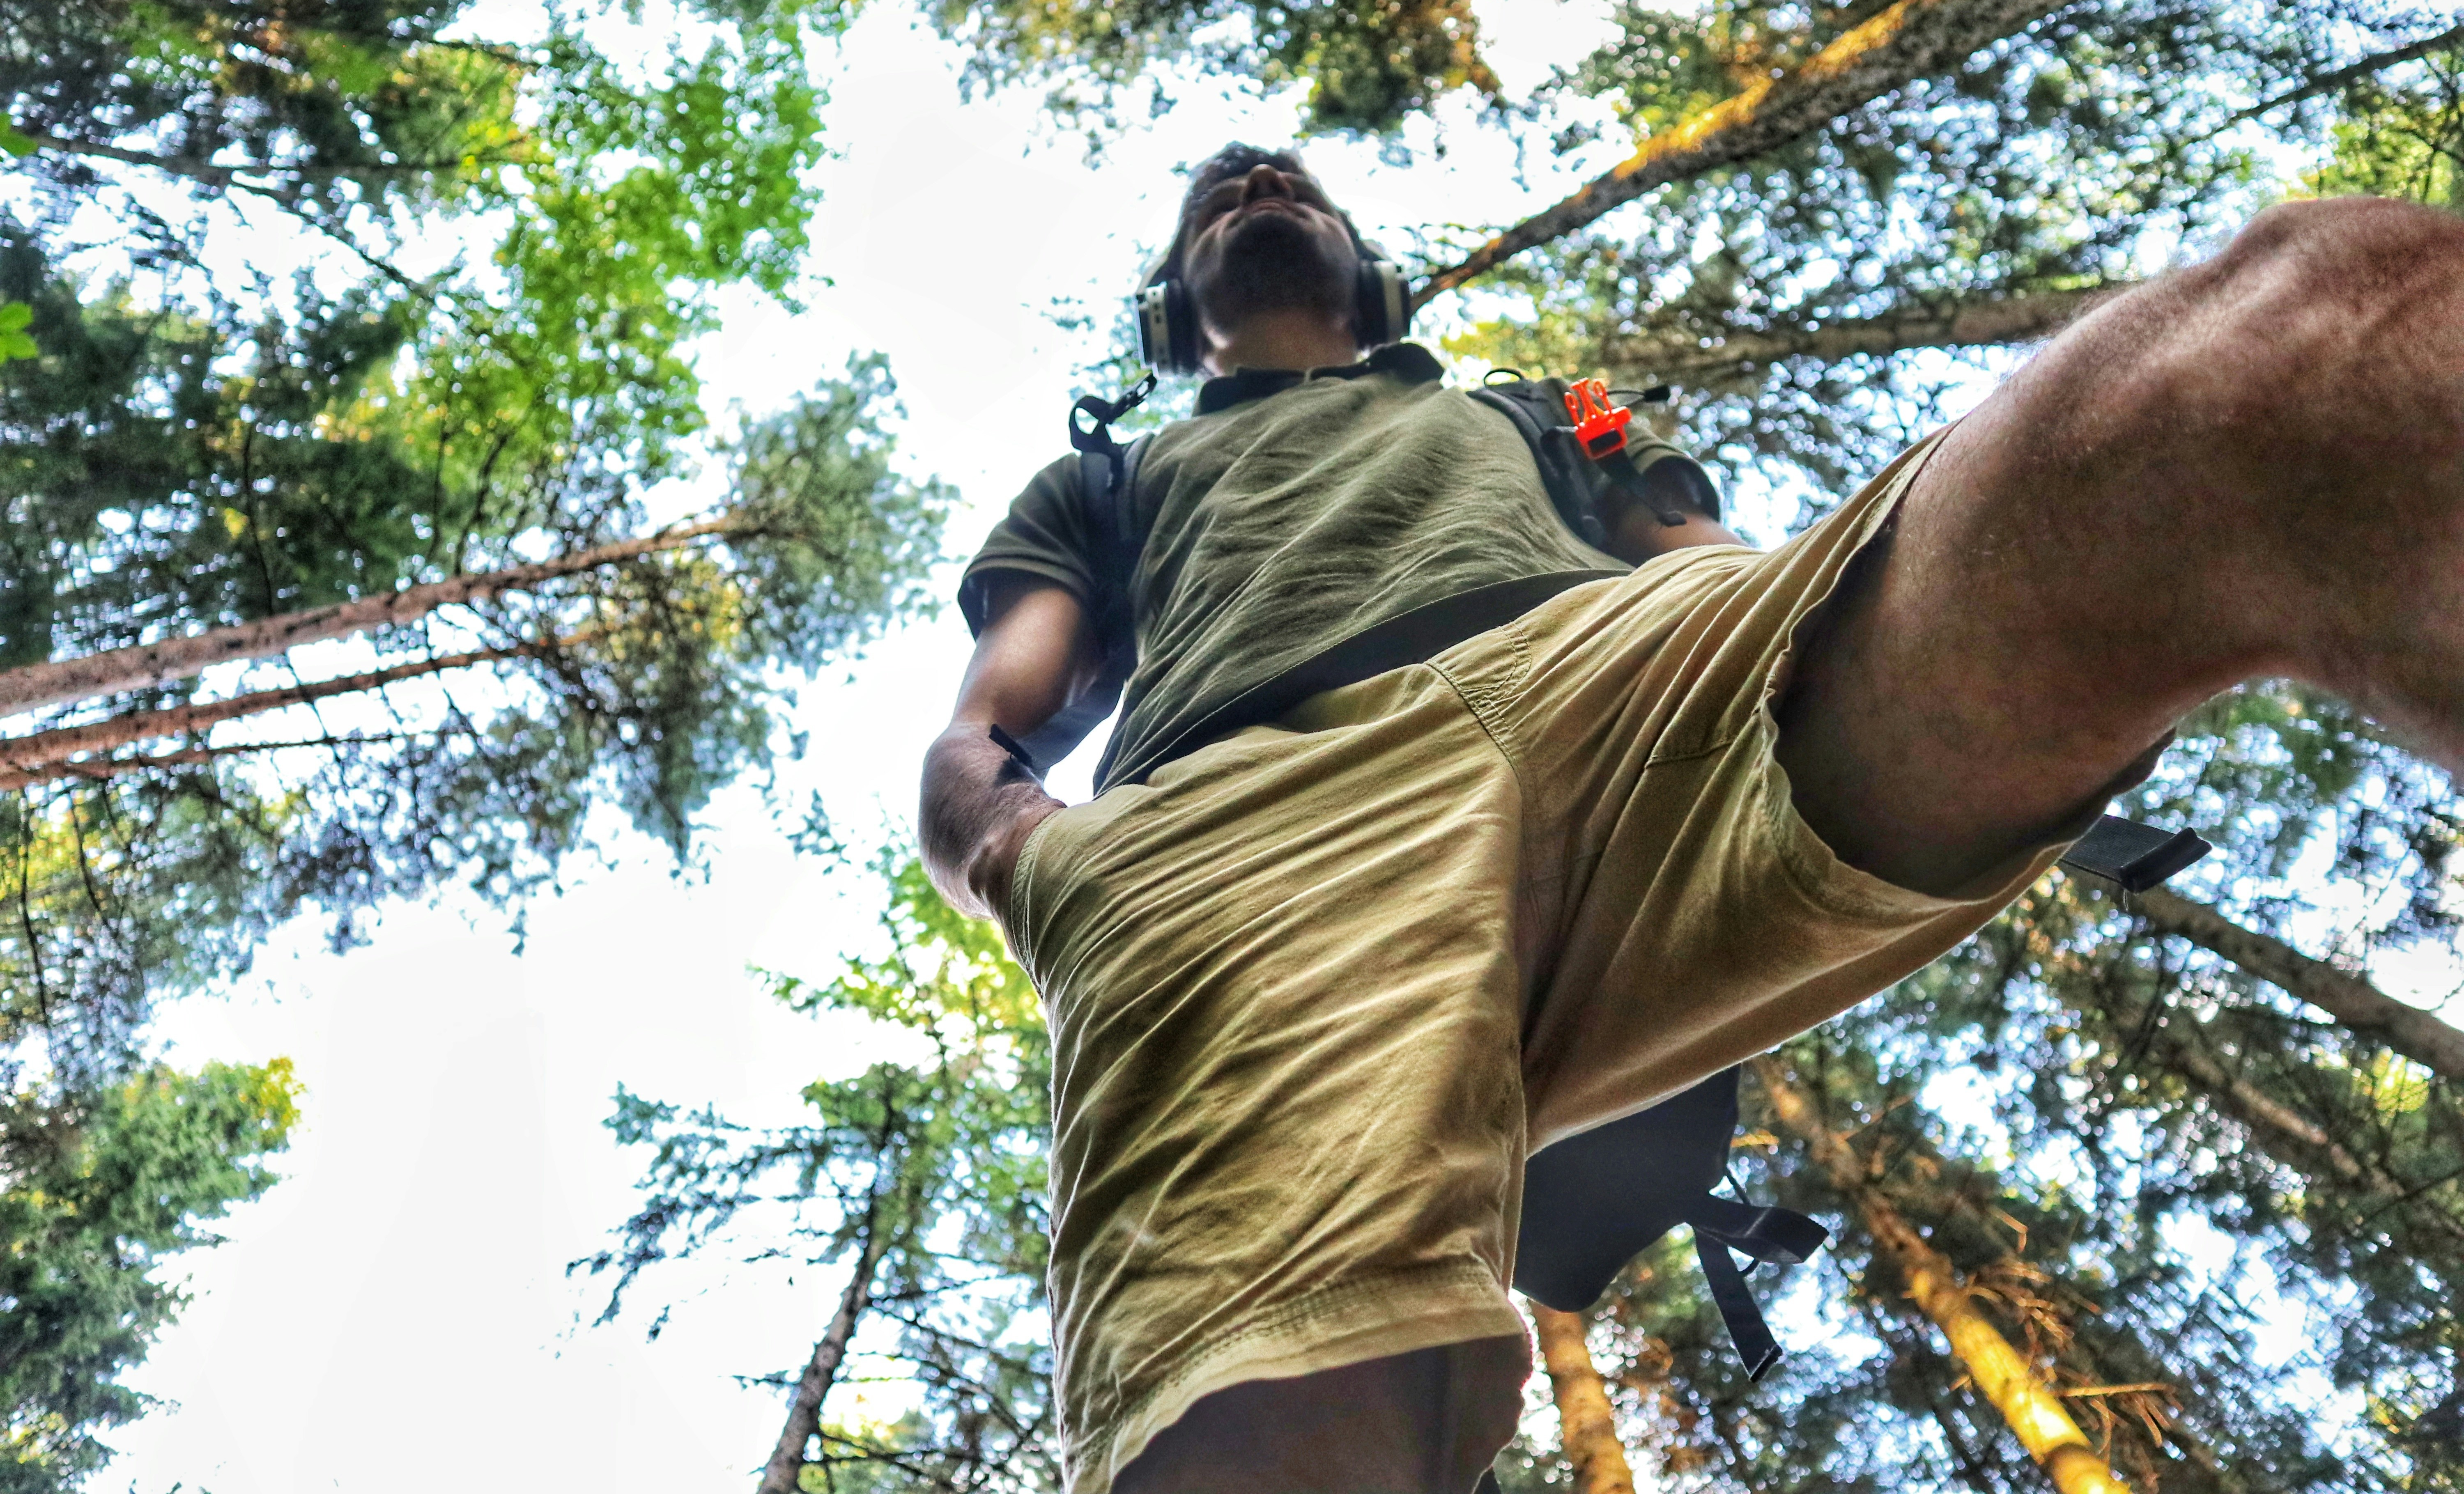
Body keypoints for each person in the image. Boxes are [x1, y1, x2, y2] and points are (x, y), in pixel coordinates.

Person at [919, 142, 2464, 1493]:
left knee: (2299, 333)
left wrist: (1900, 633)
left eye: (1290, 186)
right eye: (1219, 202)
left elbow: (1699, 541)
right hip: (1255, 822)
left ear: (1375, 277)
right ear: (1168, 315)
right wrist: (1020, 851)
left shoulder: (1544, 406)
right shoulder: (1106, 478)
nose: (1257, 190)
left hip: (1650, 681)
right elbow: (995, 716)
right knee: (1269, 1424)